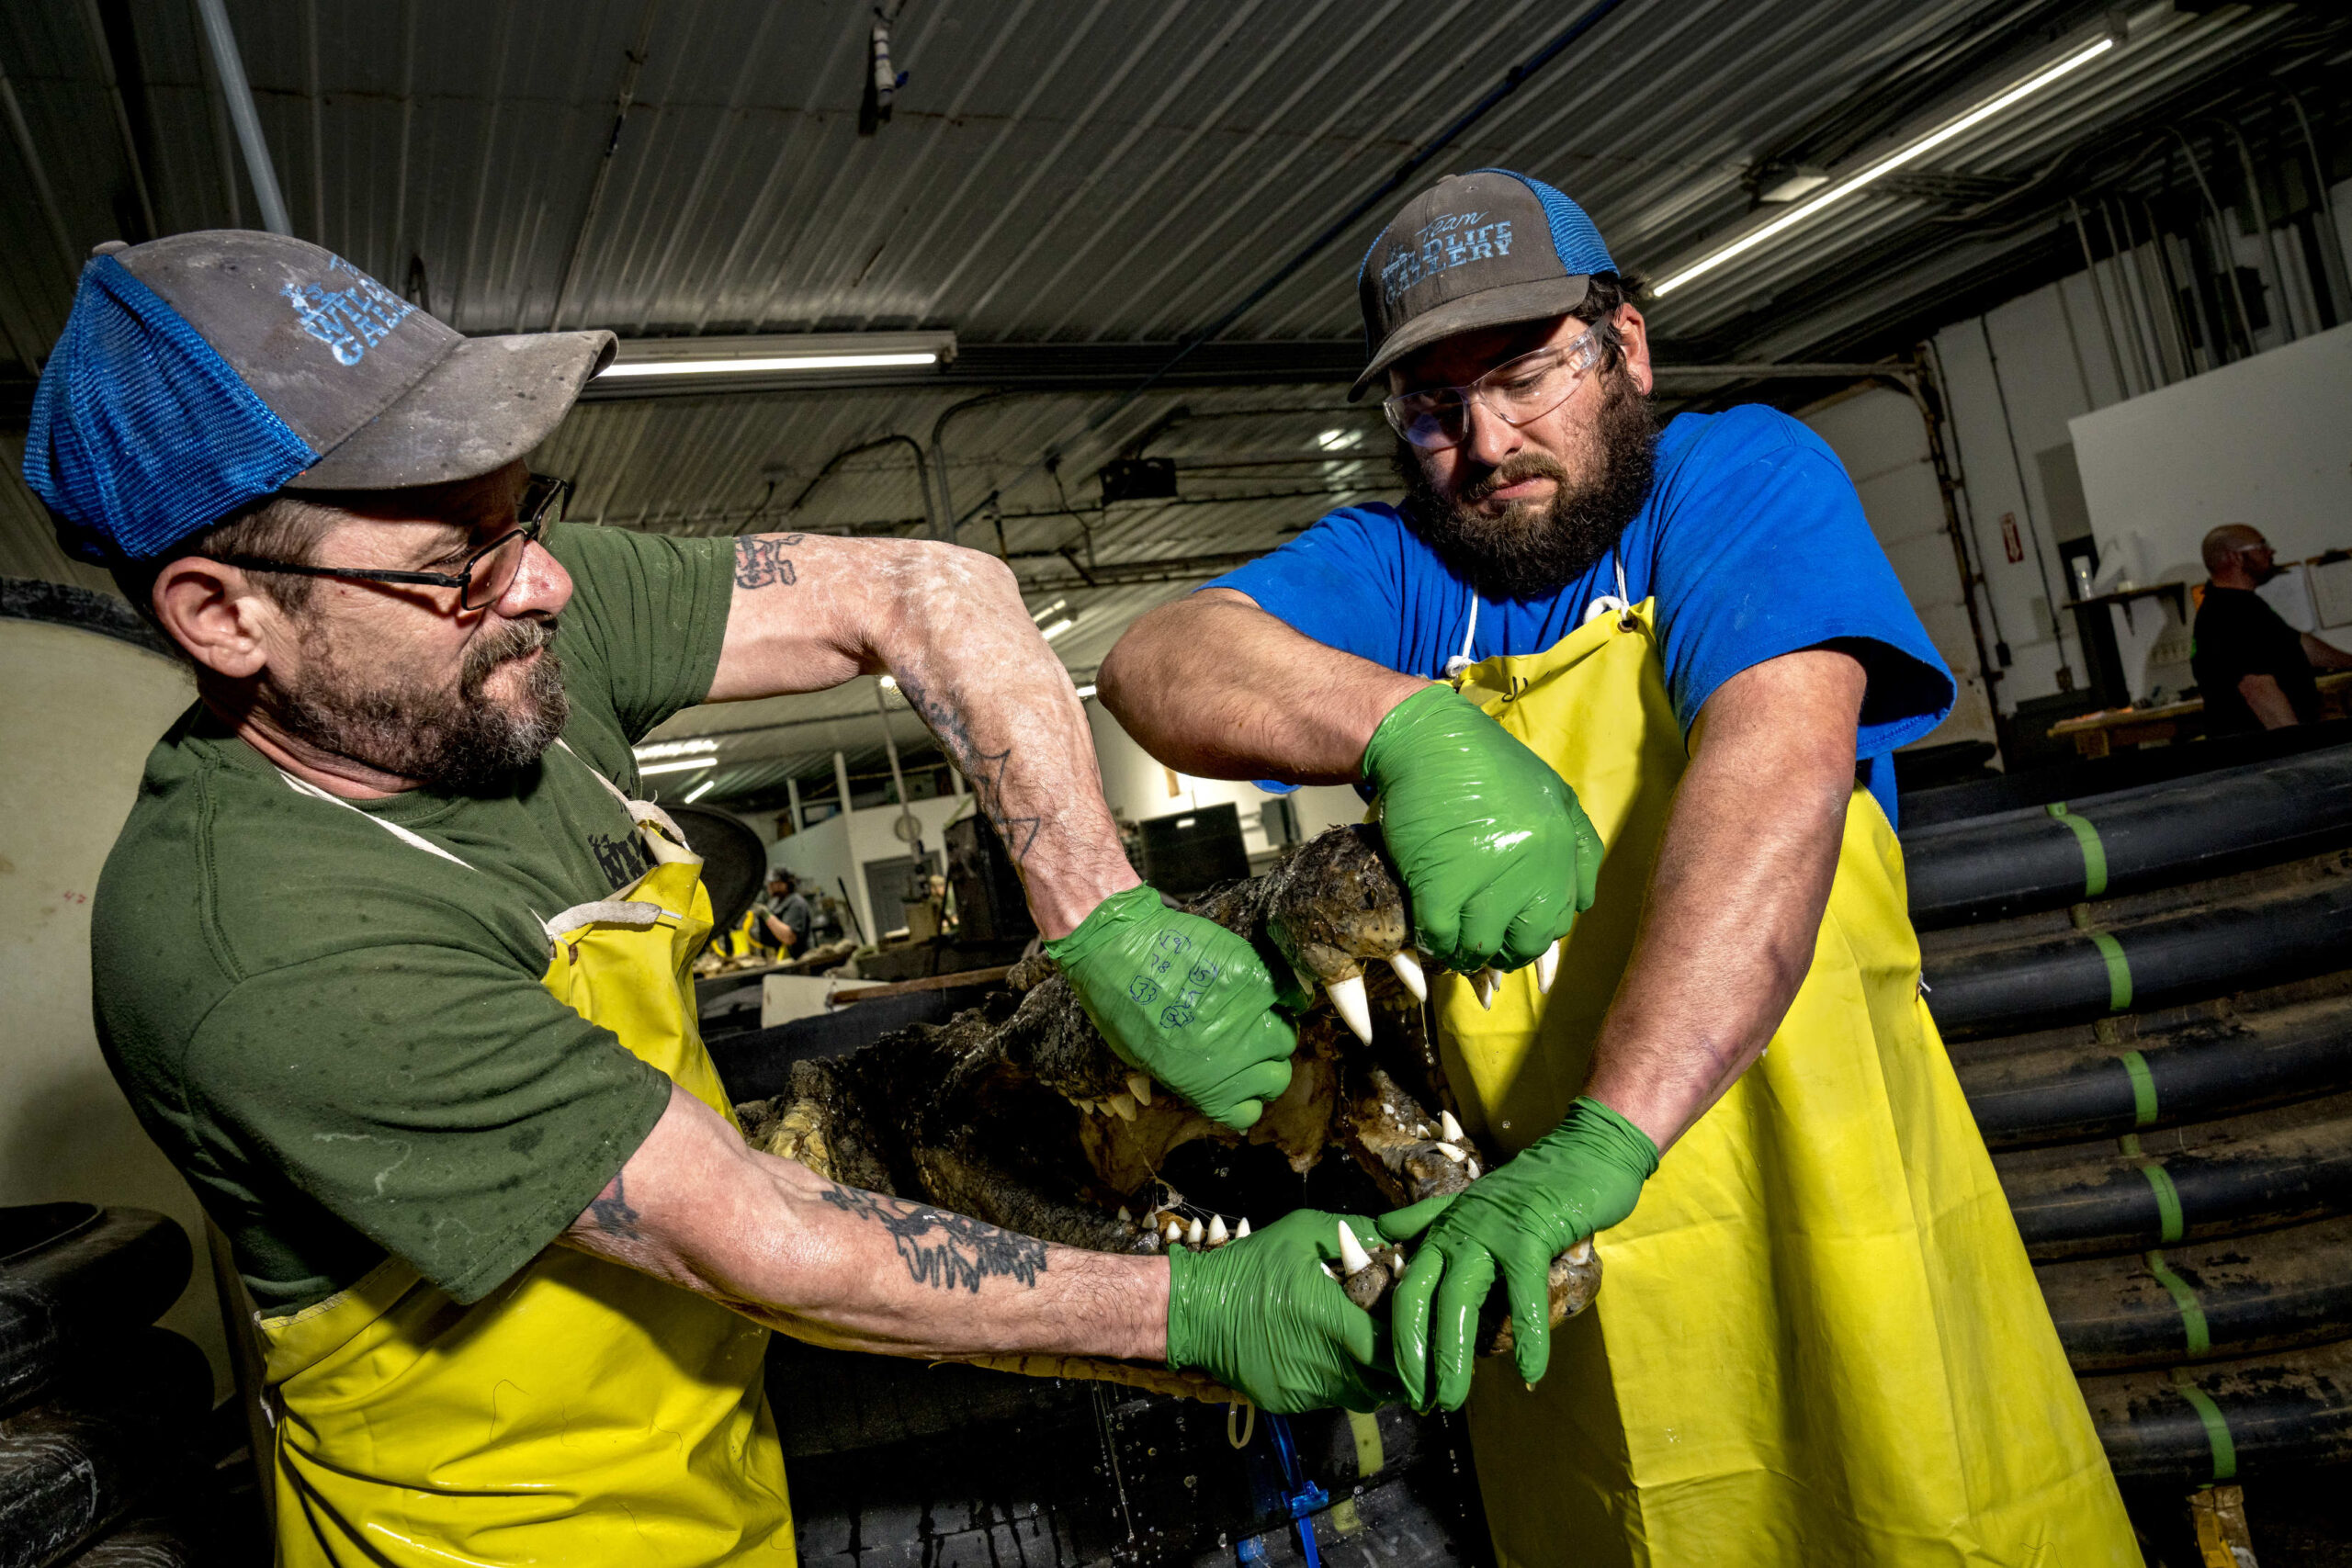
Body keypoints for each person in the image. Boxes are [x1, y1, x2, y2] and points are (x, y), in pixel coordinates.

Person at [35, 232, 1393, 1566]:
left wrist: (1096, 909)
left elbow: (939, 587)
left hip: (716, 1453)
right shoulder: (257, 939)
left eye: (527, 514)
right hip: (502, 1531)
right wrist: (1194, 1308)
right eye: (458, 561)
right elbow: (761, 1231)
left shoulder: (494, 638)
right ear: (221, 616)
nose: (547, 582)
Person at [1101, 171, 2138, 1567]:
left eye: (1526, 375)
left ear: (1625, 349)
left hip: (1827, 1198)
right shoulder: (1404, 568)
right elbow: (1154, 659)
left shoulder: (1740, 479)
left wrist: (1610, 1137)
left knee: (1919, 1506)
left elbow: (1773, 779)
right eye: (1431, 407)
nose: (1486, 440)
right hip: (1552, 1268)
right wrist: (1402, 723)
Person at [2192, 524, 2352, 731]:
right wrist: (2295, 748)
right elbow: (2257, 688)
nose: (2271, 551)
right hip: (2262, 752)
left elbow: (2298, 645)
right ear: (2235, 557)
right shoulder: (2227, 614)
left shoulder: (2249, 606)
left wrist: (2349, 662)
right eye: (2261, 546)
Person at [757, 868, 812, 955]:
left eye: (773, 883)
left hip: (799, 959)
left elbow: (789, 937)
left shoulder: (796, 903)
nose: (769, 886)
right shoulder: (775, 903)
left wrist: (766, 914)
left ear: (785, 884)